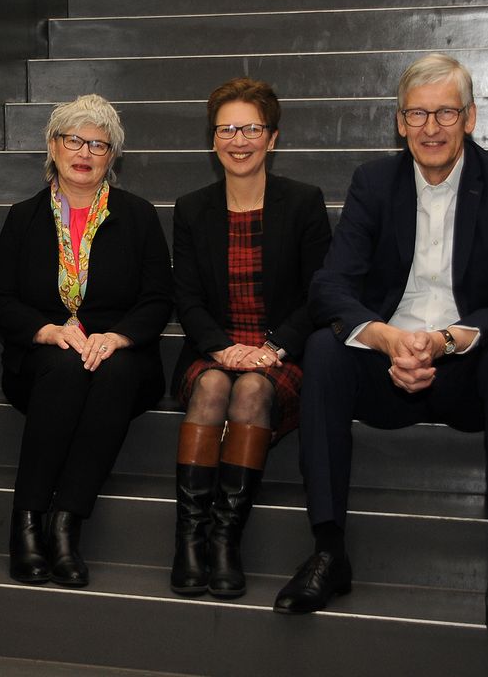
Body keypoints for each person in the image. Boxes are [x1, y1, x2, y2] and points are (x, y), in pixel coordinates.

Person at [273, 54, 488, 640]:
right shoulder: (374, 183)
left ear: (470, 117)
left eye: (445, 112)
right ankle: (329, 551)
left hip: (467, 370)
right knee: (325, 352)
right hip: (387, 362)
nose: (431, 127)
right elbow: (330, 286)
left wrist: (448, 340)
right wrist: (387, 338)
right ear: (399, 123)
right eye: (417, 114)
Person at [0, 94, 172, 588]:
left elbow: (158, 299)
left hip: (122, 355)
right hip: (42, 356)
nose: (85, 151)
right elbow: (1, 300)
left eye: (98, 143)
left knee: (108, 372)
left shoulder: (138, 215)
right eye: (74, 139)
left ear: (112, 157)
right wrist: (46, 332)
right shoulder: (23, 217)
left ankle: (65, 525)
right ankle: (25, 524)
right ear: (53, 146)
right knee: (66, 368)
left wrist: (117, 337)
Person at [169, 78, 331, 599]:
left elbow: (319, 296)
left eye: (251, 129)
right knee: (216, 386)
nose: (239, 140)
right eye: (227, 129)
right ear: (213, 139)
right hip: (213, 350)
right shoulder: (192, 208)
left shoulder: (304, 203)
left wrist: (273, 348)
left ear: (273, 137)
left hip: (278, 355)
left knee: (254, 389)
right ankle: (190, 539)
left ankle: (225, 540)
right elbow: (187, 300)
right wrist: (221, 348)